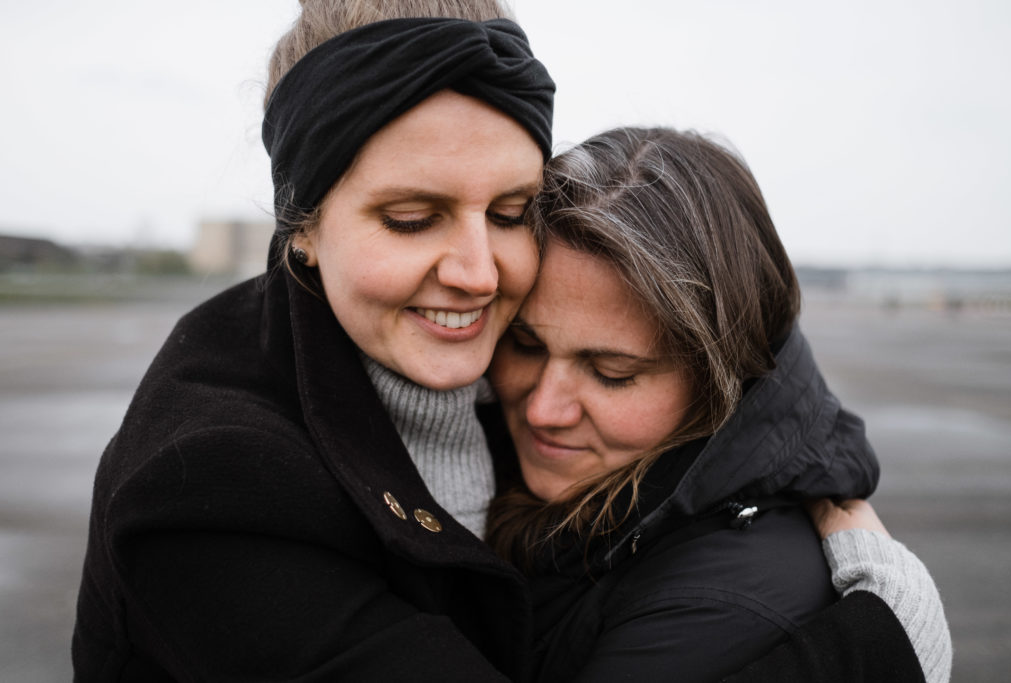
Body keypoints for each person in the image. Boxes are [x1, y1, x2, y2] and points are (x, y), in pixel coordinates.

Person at [71, 1, 946, 681]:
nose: (480, 272)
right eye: (412, 218)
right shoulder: (211, 484)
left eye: (511, 211)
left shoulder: (479, 374)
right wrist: (886, 636)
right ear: (300, 227)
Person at [485, 126, 951, 683]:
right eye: (525, 344)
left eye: (612, 373)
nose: (543, 409)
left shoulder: (723, 610)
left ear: (720, 383)